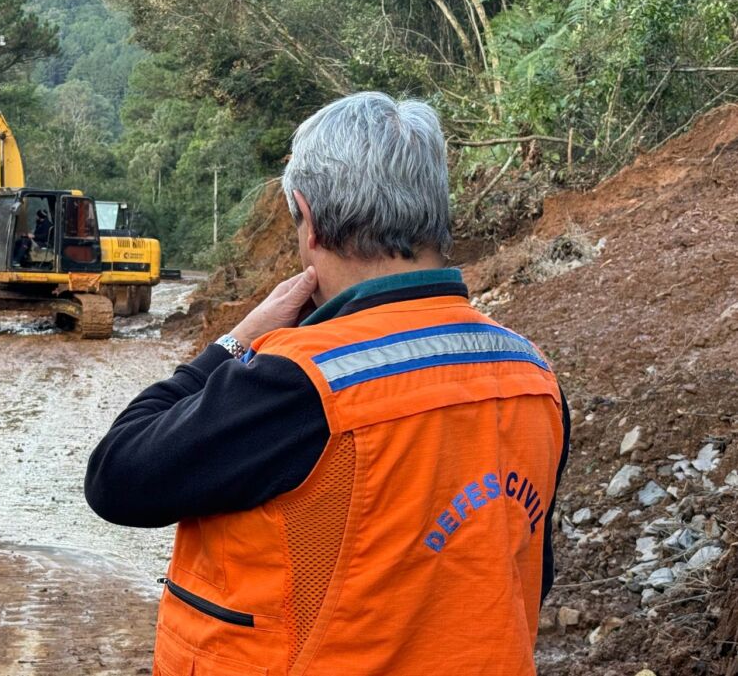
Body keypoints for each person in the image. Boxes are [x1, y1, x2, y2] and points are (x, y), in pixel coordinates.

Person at [84, 92, 570, 675]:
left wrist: (234, 343)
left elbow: (117, 476)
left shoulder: (303, 382)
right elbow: (521, 570)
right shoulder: (532, 374)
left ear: (308, 218)